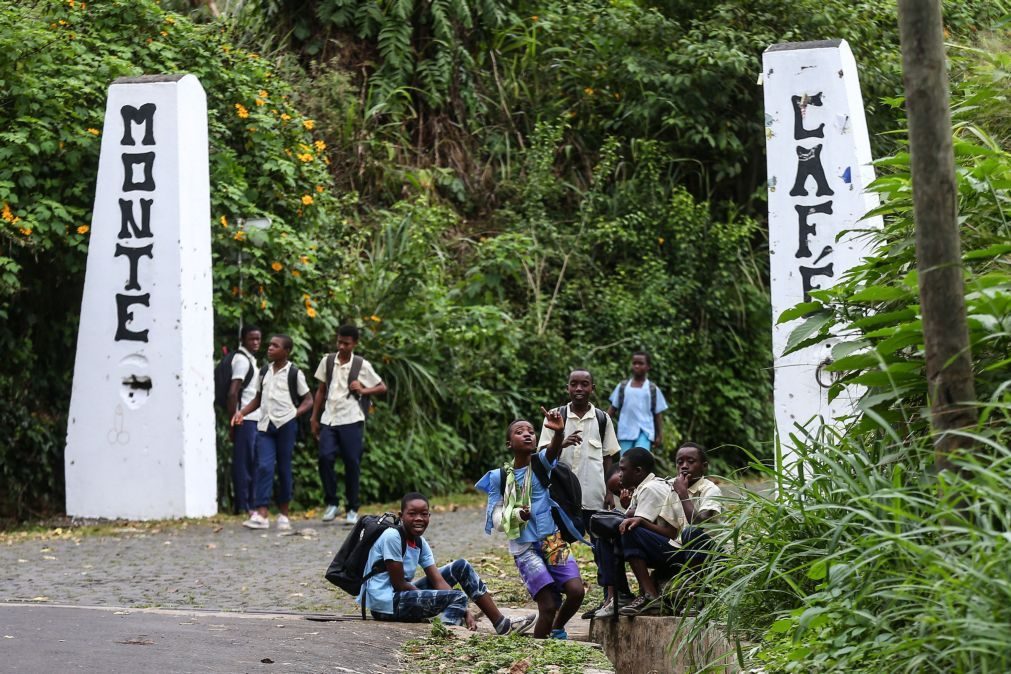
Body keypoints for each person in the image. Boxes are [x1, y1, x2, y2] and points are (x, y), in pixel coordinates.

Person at [359, 492, 535, 634]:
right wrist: (441, 601)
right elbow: (399, 584)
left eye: (423, 514)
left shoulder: (420, 543)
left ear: (429, 516)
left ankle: (500, 623)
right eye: (412, 514)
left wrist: (462, 608)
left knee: (461, 566)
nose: (418, 518)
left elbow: (438, 581)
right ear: (401, 516)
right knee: (457, 597)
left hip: (401, 596)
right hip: (385, 605)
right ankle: (448, 633)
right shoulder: (392, 537)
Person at [477, 410, 586, 639]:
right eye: (519, 432)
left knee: (576, 592)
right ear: (509, 444)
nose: (527, 435)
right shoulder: (499, 477)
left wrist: (558, 432)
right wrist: (516, 515)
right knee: (546, 607)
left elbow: (554, 450)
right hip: (524, 548)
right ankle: (540, 654)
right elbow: (497, 518)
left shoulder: (540, 464)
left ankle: (557, 627)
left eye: (531, 431)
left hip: (552, 540)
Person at [534, 369, 625, 619]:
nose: (579, 389)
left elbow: (608, 457)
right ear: (567, 388)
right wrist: (560, 441)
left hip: (593, 495)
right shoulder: (555, 416)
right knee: (554, 545)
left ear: (592, 388)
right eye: (574, 384)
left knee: (601, 547)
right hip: (560, 499)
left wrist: (610, 491)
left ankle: (610, 598)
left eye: (585, 384)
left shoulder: (603, 419)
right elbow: (542, 455)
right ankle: (553, 597)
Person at [232, 334, 312, 531]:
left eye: (275, 346)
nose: (269, 348)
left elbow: (308, 400)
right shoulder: (264, 371)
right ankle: (262, 514)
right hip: (265, 426)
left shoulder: (294, 373)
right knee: (264, 467)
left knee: (284, 469)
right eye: (270, 345)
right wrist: (241, 412)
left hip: (286, 426)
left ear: (286, 351)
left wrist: (295, 412)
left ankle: (284, 514)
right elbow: (258, 399)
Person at [311, 324, 387, 525]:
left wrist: (363, 389)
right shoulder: (327, 361)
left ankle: (352, 508)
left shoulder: (361, 364)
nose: (342, 346)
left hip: (351, 418)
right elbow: (320, 390)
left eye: (346, 343)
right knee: (324, 457)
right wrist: (314, 417)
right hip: (329, 418)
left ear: (355, 343)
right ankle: (332, 503)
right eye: (339, 342)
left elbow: (381, 387)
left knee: (352, 462)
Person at [601, 448, 685, 617]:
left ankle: (649, 595)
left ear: (638, 471)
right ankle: (617, 596)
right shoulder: (641, 489)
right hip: (667, 544)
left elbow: (668, 532)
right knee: (608, 537)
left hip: (680, 549)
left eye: (623, 470)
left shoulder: (650, 488)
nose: (621, 474)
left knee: (630, 531)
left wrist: (637, 520)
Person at [227, 325, 261, 516]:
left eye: (258, 339)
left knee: (253, 463)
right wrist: (235, 419)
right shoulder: (241, 361)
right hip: (245, 419)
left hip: (254, 419)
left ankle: (251, 503)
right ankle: (244, 505)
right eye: (251, 339)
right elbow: (233, 392)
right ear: (243, 340)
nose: (255, 343)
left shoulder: (251, 360)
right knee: (244, 463)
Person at [607, 352, 669, 453]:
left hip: (645, 431)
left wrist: (659, 435)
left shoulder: (652, 389)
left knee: (641, 458)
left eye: (640, 363)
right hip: (625, 431)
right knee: (625, 462)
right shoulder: (623, 387)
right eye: (634, 363)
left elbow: (658, 414)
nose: (637, 366)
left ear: (648, 366)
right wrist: (602, 426)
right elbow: (613, 408)